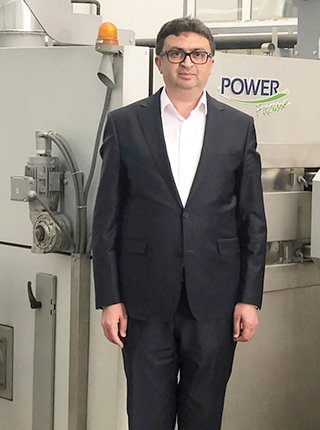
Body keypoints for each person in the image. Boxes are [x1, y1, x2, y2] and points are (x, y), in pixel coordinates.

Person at [92, 17, 267, 430]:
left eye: (198, 54)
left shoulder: (237, 127)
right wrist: (109, 299)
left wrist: (249, 299)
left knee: (203, 415)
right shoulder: (125, 124)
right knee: (147, 415)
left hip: (215, 301)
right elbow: (106, 219)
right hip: (143, 300)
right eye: (176, 53)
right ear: (159, 62)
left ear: (211, 63)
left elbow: (252, 220)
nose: (187, 63)